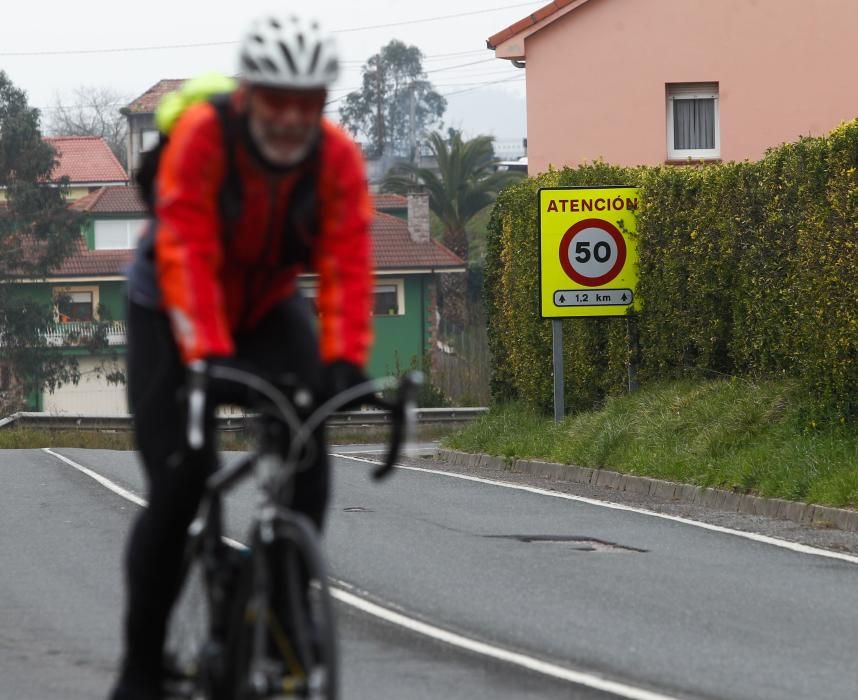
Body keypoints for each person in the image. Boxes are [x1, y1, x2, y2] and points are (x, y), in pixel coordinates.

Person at [110, 14, 373, 700]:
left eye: (307, 103)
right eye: (276, 100)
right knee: (181, 479)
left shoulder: (335, 157)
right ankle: (140, 666)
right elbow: (186, 254)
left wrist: (345, 361)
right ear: (249, 94)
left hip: (264, 306)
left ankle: (286, 601)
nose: (291, 118)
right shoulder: (205, 139)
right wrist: (204, 357)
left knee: (308, 444)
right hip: (170, 309)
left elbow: (347, 260)